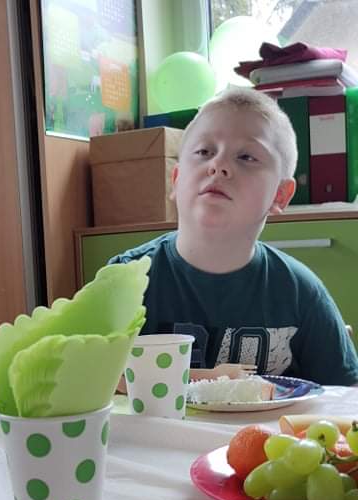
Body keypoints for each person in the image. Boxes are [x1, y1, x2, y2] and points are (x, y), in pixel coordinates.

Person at [109, 88, 358, 387]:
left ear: (280, 194)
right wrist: (214, 379)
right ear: (176, 179)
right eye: (204, 152)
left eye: (246, 156)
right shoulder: (124, 280)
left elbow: (346, 397)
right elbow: (88, 381)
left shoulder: (301, 293)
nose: (219, 165)